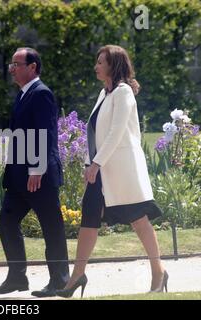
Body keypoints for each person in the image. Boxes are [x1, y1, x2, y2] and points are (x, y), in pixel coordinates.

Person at [56, 45, 168, 298]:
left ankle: (158, 272)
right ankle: (77, 276)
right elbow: (93, 132)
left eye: (100, 62)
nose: (96, 66)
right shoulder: (103, 93)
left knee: (139, 220)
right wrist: (89, 164)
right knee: (89, 220)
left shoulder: (123, 92)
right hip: (99, 170)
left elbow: (117, 133)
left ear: (113, 65)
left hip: (121, 171)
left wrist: (96, 163)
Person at [0, 47, 69, 297]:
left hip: (39, 177)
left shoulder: (41, 93)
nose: (11, 69)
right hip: (19, 178)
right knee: (7, 222)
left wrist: (37, 169)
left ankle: (60, 280)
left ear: (32, 67)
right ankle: (17, 278)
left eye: (16, 64)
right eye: (11, 64)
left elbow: (45, 134)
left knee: (51, 227)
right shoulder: (24, 94)